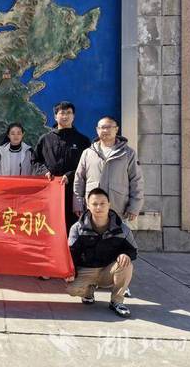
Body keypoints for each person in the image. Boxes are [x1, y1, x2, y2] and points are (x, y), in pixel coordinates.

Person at [65, 188, 138, 317]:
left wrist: (125, 254)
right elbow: (71, 253)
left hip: (108, 271)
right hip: (86, 270)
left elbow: (133, 250)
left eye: (102, 203)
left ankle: (117, 301)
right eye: (94, 204)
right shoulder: (78, 228)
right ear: (88, 205)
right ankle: (88, 291)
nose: (99, 207)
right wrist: (71, 272)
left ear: (109, 204)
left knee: (127, 264)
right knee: (71, 289)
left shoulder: (122, 228)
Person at [31, 101, 91, 233]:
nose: (65, 116)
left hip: (74, 192)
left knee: (72, 228)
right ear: (55, 116)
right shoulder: (45, 139)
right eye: (62, 113)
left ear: (73, 116)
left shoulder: (83, 140)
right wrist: (44, 172)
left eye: (69, 113)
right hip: (50, 191)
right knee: (50, 226)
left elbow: (88, 165)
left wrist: (70, 175)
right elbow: (35, 161)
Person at [73, 116, 144, 222]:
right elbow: (79, 179)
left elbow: (136, 180)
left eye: (109, 127)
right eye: (102, 127)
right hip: (92, 209)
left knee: (117, 233)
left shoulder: (128, 153)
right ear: (97, 130)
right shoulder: (88, 153)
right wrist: (78, 204)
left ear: (116, 129)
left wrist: (134, 207)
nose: (105, 130)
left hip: (118, 208)